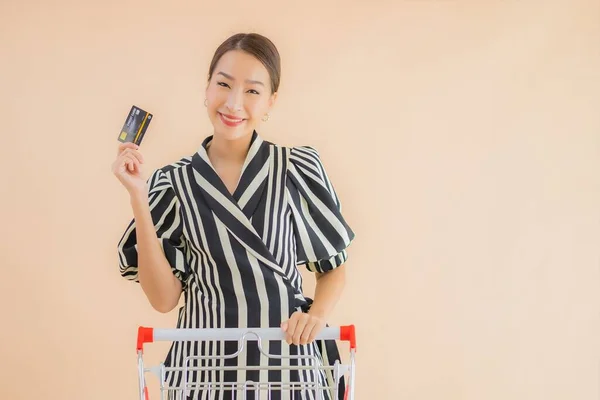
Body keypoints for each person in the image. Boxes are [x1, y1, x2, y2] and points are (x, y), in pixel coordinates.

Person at [112, 33, 355, 400]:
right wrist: (138, 197)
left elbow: (333, 267)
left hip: (286, 366)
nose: (234, 102)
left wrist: (316, 316)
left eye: (252, 91)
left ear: (271, 100)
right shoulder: (172, 182)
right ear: (207, 89)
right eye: (223, 84)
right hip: (203, 372)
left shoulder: (296, 168)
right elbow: (163, 300)